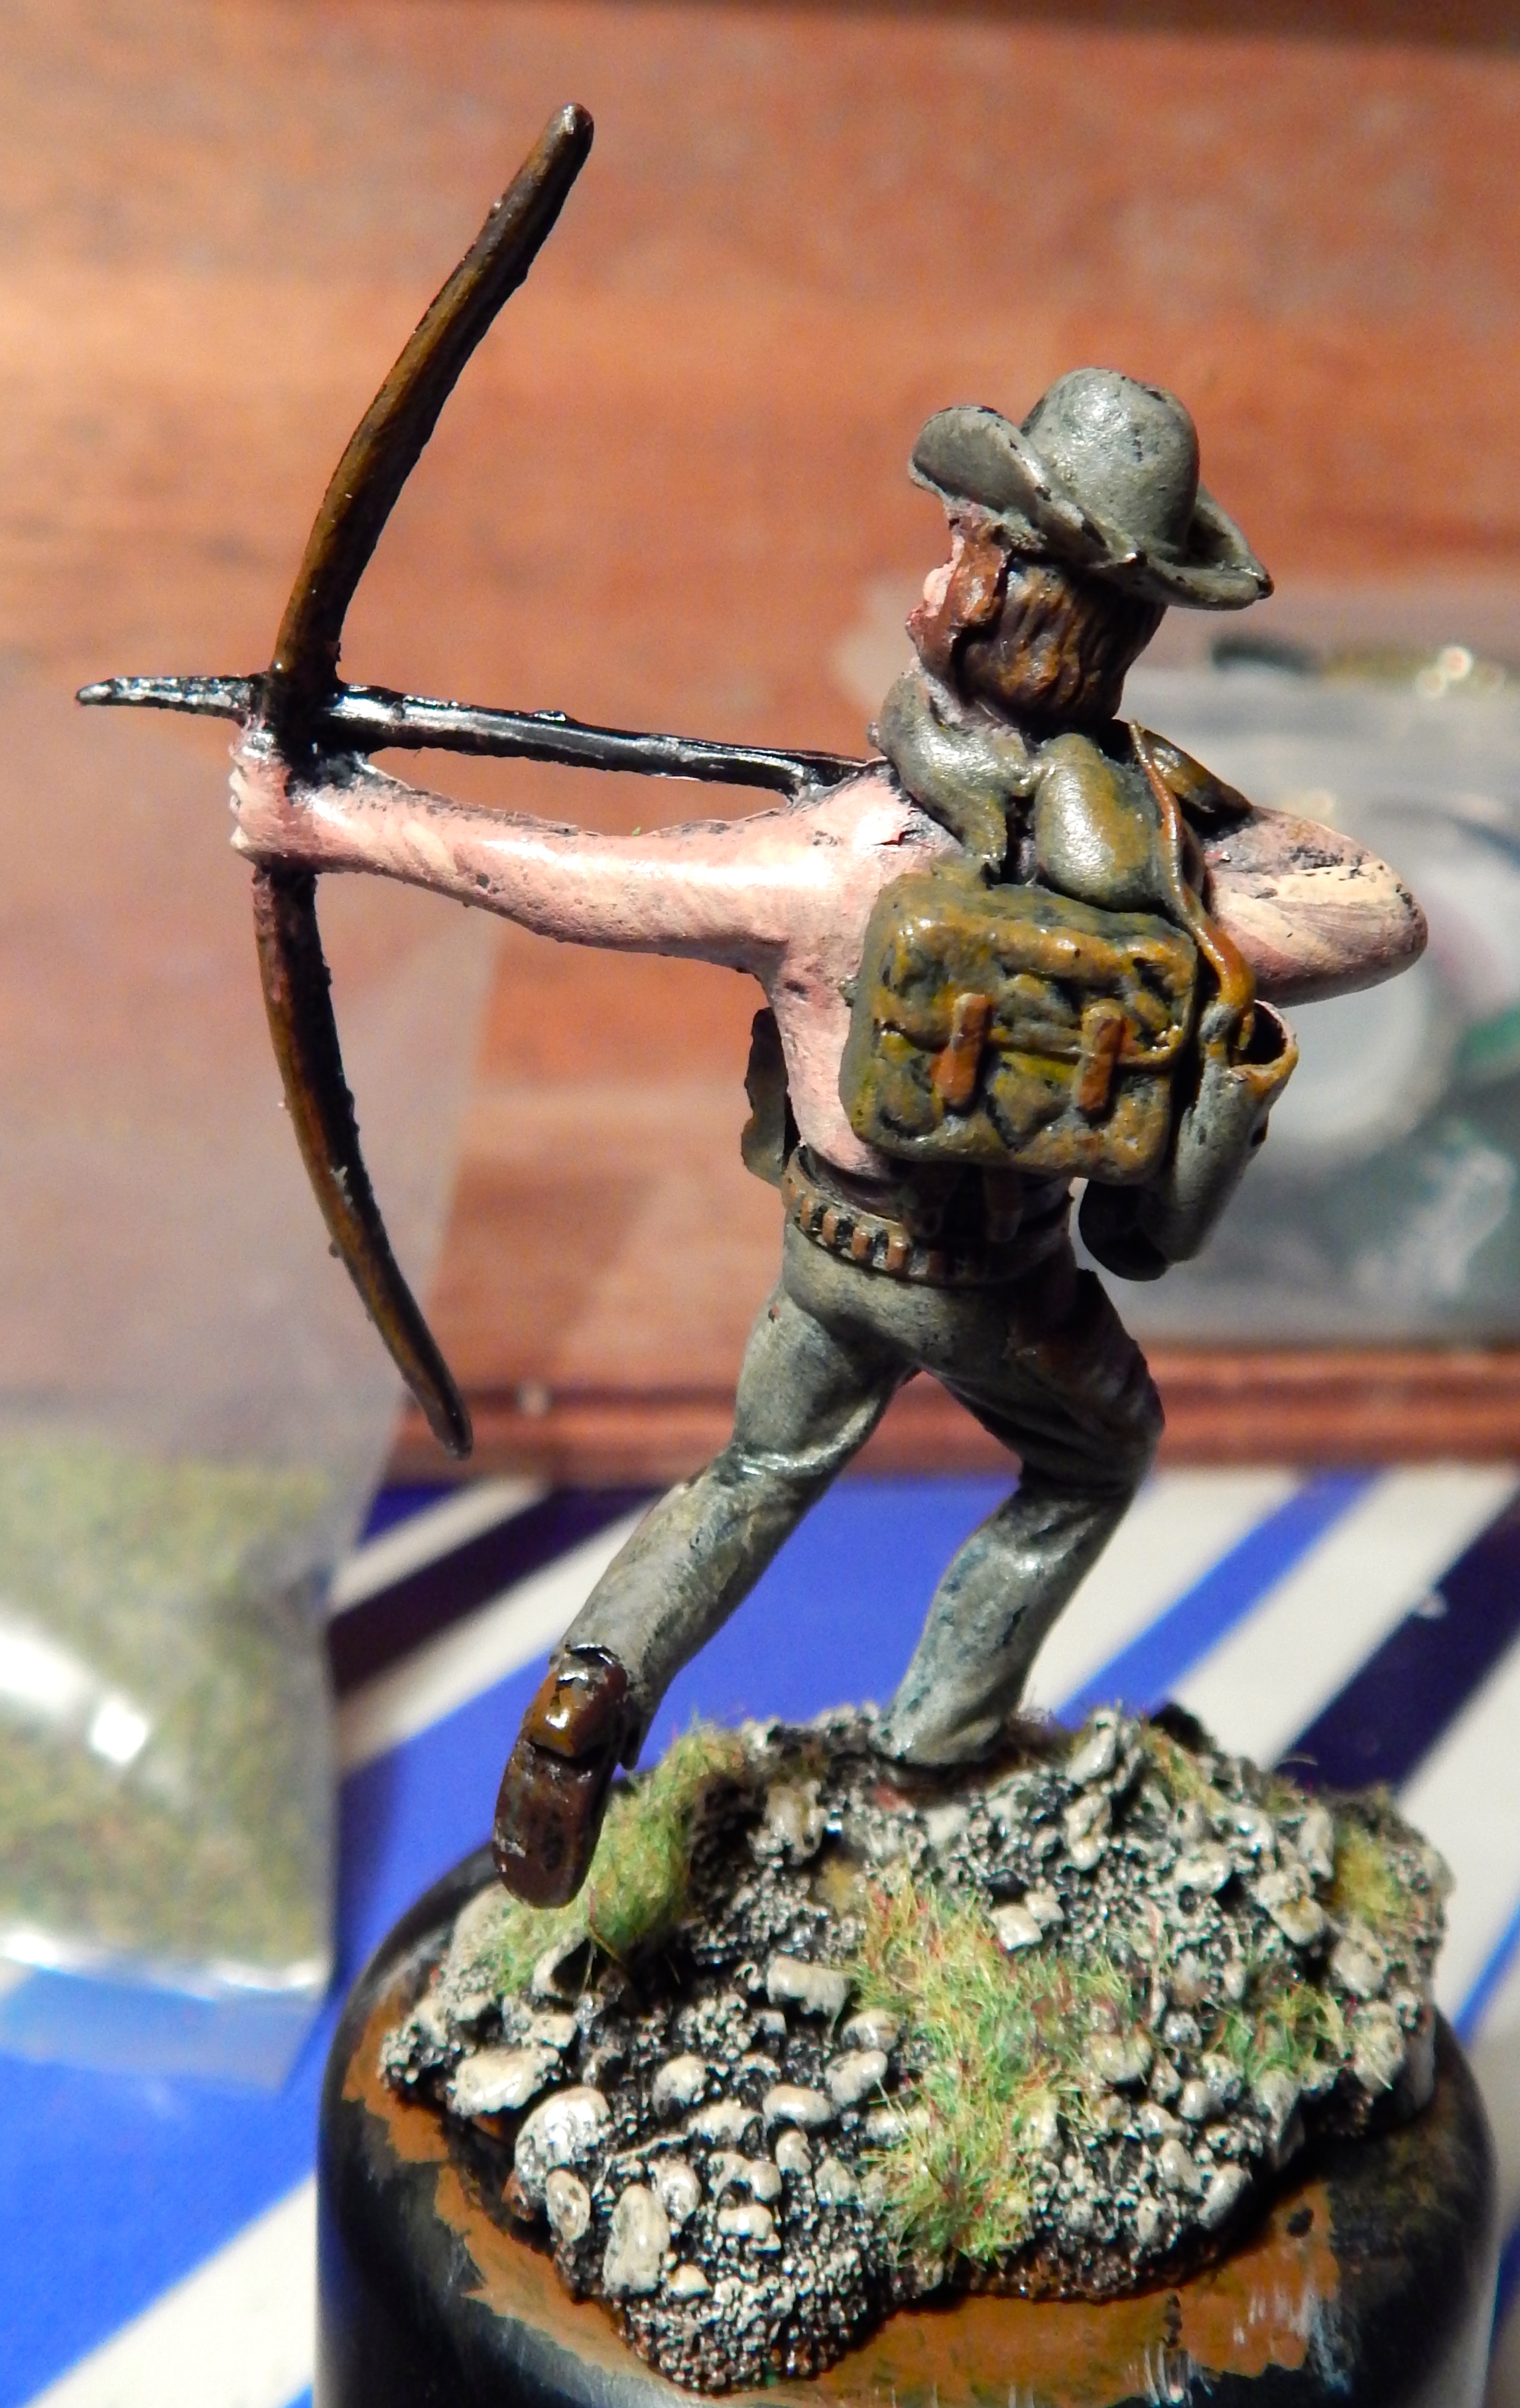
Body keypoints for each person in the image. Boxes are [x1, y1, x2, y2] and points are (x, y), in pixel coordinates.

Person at [230, 369, 1424, 1908]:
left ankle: (587, 1696)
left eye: (968, 548)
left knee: (752, 1474)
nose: (943, 571)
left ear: (991, 600)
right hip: (1004, 1282)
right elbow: (1380, 908)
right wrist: (1182, 860)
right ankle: (940, 1739)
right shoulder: (1159, 871)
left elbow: (565, 877)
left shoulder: (835, 858)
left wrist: (325, 819)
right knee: (1097, 1457)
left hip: (833, 1260)